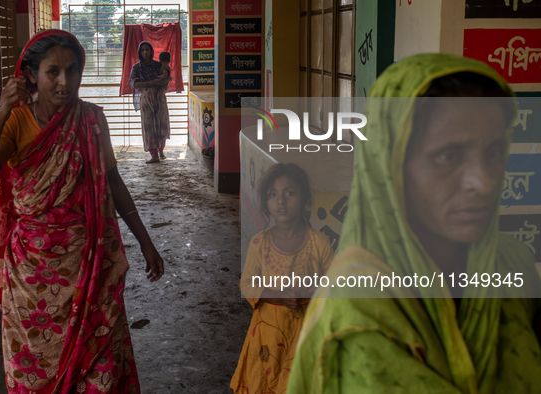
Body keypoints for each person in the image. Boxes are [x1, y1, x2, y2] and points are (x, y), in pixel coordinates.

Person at [286, 54, 541, 393]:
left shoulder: (512, 264)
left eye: (493, 153)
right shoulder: (357, 313)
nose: (483, 182)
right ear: (389, 168)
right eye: (449, 156)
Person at [0, 30, 164, 393]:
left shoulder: (91, 119)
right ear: (30, 76)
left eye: (72, 71)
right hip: (31, 278)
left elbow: (114, 181)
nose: (64, 82)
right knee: (35, 374)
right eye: (52, 72)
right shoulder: (15, 122)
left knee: (99, 366)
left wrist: (145, 242)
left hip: (89, 267)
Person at [231, 163, 334, 394]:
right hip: (268, 339)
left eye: (290, 193)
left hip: (307, 335)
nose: (281, 201)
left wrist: (308, 291)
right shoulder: (260, 243)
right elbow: (247, 284)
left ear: (305, 199)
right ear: (266, 203)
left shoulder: (319, 243)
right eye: (272, 195)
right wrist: (278, 295)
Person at [128, 42, 170, 164]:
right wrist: (151, 83)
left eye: (147, 49)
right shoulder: (136, 68)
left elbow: (166, 80)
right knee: (149, 126)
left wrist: (161, 86)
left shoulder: (158, 66)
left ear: (151, 51)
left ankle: (161, 151)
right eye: (143, 50)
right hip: (146, 99)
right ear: (139, 52)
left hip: (159, 97)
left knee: (162, 123)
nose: (145, 52)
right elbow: (134, 84)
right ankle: (154, 155)